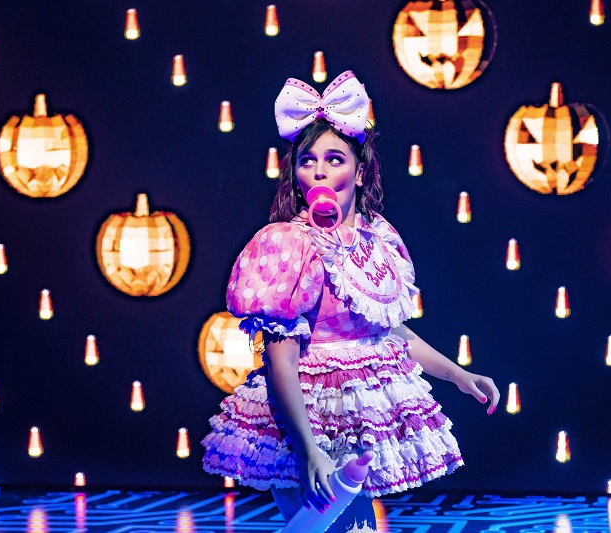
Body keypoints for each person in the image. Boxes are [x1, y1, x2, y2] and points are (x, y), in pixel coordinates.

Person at [202, 70, 500, 531]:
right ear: (296, 174)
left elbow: (389, 332)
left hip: (359, 415)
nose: (320, 171)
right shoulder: (288, 244)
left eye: (334, 159)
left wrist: (457, 374)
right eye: (308, 161)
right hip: (307, 419)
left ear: (359, 173)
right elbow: (279, 358)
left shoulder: (377, 237)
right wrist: (307, 448)